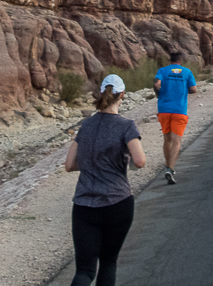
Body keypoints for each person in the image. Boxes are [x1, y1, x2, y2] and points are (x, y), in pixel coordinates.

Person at [65, 74, 147, 286]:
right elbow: (139, 161)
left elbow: (69, 165)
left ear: (101, 93)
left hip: (84, 205)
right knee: (109, 262)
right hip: (117, 202)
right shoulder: (126, 126)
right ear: (122, 95)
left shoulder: (86, 126)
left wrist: (93, 164)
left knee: (84, 270)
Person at [153, 52, 198, 183]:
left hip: (164, 109)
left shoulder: (163, 70)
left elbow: (156, 84)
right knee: (176, 140)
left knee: (167, 139)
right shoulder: (187, 71)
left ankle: (168, 167)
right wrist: (184, 89)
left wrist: (158, 94)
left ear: (170, 60)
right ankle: (170, 168)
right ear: (180, 60)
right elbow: (194, 89)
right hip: (179, 109)